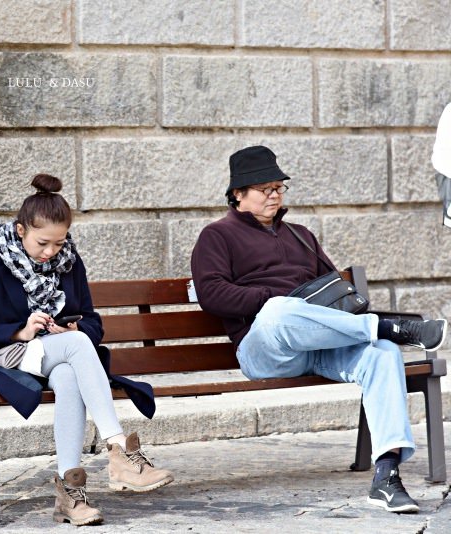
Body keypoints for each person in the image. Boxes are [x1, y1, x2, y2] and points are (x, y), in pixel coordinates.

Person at [190, 145, 447, 514]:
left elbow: (332, 289)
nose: (275, 194)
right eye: (265, 188)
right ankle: (389, 327)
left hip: (317, 343)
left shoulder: (300, 235)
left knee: (382, 353)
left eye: (279, 187)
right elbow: (212, 294)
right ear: (237, 194)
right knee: (279, 309)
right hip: (264, 348)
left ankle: (387, 475)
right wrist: (270, 298)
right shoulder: (217, 236)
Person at [0, 174, 173, 526]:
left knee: (70, 372)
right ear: (21, 229)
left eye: (59, 243)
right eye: (43, 243)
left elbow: (91, 321)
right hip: (3, 355)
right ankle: (118, 452)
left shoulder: (69, 262)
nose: (50, 252)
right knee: (75, 346)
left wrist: (72, 327)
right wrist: (20, 330)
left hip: (58, 352)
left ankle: (70, 494)